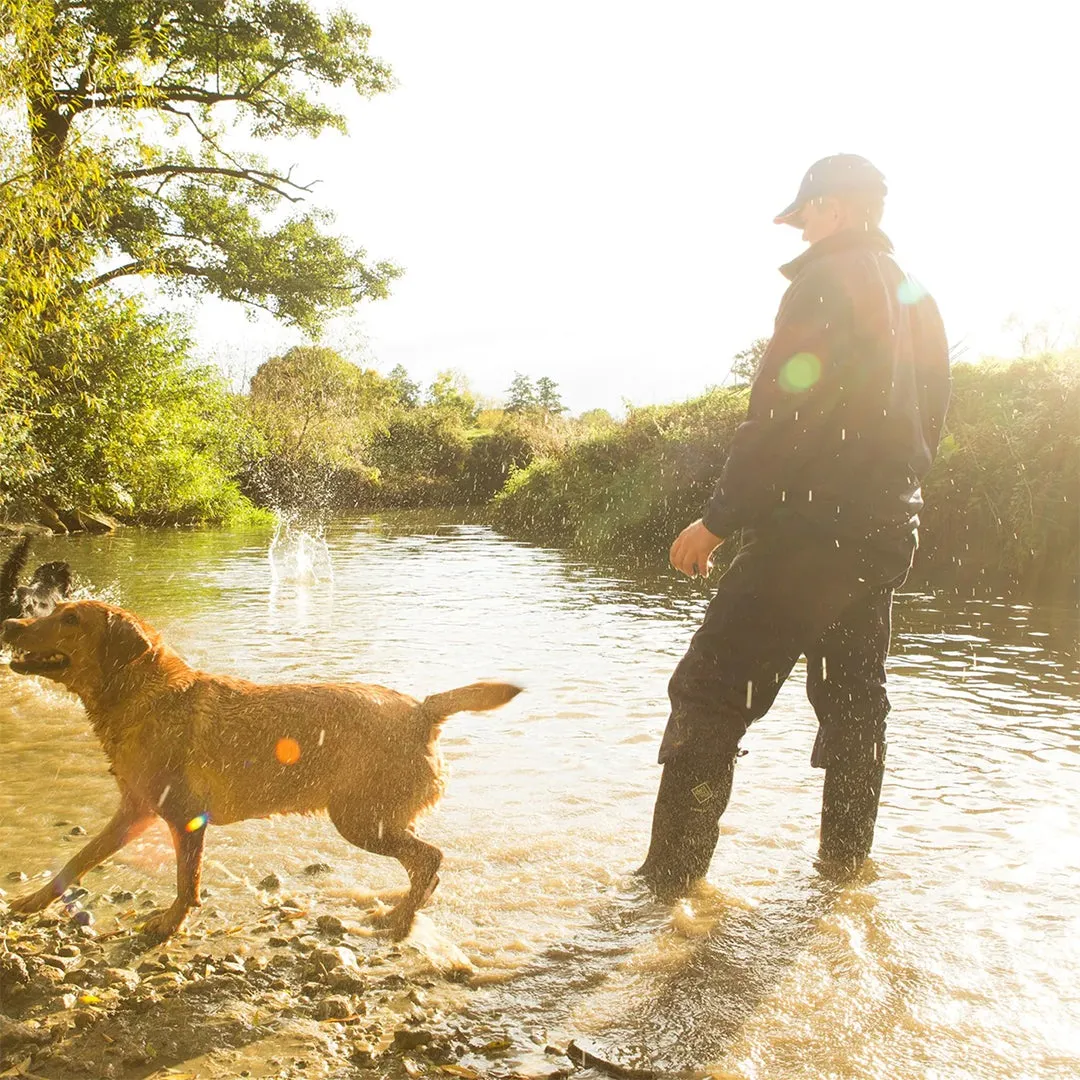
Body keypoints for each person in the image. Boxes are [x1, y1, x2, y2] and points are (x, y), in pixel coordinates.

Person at [636, 154, 951, 898]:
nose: (801, 227)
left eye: (806, 213)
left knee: (708, 694)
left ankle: (667, 891)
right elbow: (932, 417)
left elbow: (782, 415)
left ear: (835, 209)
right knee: (854, 708)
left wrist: (719, 518)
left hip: (809, 538)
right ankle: (843, 876)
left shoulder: (823, 282)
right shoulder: (918, 296)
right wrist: (890, 498)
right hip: (881, 538)